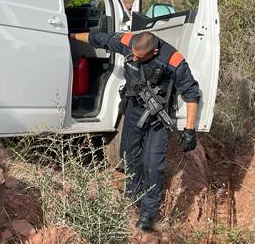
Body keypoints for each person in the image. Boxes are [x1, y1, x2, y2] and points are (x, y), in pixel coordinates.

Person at [69, 30, 201, 232]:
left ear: (155, 51)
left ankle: (148, 214)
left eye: (140, 57)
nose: (134, 58)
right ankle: (133, 196)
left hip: (158, 118)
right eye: (133, 55)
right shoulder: (128, 42)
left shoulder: (173, 59)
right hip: (133, 109)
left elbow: (192, 94)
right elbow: (99, 38)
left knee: (153, 165)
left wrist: (190, 129)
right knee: (129, 156)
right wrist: (71, 35)